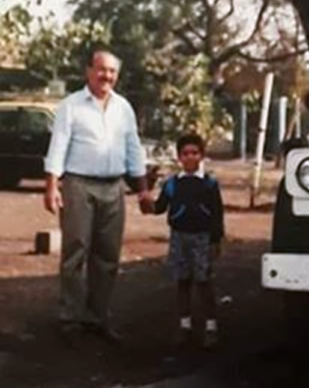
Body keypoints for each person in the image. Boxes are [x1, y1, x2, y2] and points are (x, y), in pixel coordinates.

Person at [43, 46, 147, 346]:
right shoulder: (71, 106)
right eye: (101, 70)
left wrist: (141, 190)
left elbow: (133, 149)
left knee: (107, 256)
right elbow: (58, 146)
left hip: (114, 187)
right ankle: (70, 319)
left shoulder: (123, 107)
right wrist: (51, 186)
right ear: (88, 71)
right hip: (78, 185)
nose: (107, 76)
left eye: (112, 71)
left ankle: (97, 318)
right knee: (75, 252)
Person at [148, 133, 224, 349]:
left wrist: (216, 240)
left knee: (204, 283)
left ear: (202, 156)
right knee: (182, 282)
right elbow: (160, 207)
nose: (190, 157)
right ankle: (185, 325)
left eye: (195, 153)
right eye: (185, 154)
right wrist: (147, 203)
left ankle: (210, 327)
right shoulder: (172, 184)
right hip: (179, 238)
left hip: (202, 237)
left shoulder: (209, 183)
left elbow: (218, 213)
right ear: (179, 157)